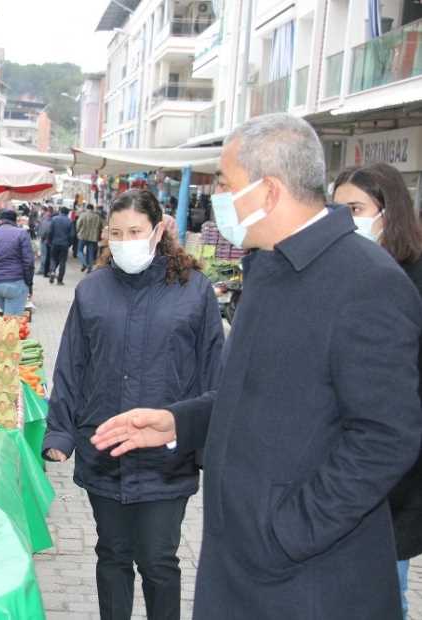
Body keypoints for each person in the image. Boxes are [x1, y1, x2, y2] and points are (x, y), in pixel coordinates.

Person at [91, 114, 422, 619]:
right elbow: (257, 391)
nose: (219, 196)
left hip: (309, 580)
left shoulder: (366, 281)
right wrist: (180, 422)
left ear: (267, 191)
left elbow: (385, 436)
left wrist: (288, 530)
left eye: (227, 184)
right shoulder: (271, 267)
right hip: (244, 561)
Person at [44, 189, 223, 620]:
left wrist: (205, 443)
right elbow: (71, 366)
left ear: (158, 230)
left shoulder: (194, 291)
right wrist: (60, 434)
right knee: (112, 555)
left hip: (166, 457)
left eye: (136, 231)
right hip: (103, 447)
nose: (126, 240)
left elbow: (213, 373)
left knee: (159, 561)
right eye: (117, 232)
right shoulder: (92, 291)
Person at [333, 162, 422, 620]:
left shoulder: (412, 278)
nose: (345, 219)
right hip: (334, 468)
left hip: (395, 475)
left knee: (387, 593)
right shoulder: (336, 273)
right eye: (337, 209)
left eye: (356, 208)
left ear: (388, 212)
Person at [0, 209, 34, 316]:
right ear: (15, 221)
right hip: (16, 283)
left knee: (7, 320)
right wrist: (28, 283)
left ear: (0, 221)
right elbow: (29, 263)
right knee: (11, 324)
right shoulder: (22, 234)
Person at [46, 206, 74, 285]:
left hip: (54, 243)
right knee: (62, 261)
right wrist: (69, 244)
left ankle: (52, 271)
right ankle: (60, 280)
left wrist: (49, 241)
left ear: (60, 211)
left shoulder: (54, 219)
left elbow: (50, 231)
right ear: (67, 213)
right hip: (64, 244)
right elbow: (72, 235)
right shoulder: (69, 221)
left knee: (53, 259)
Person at [76, 204, 104, 273]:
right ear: (93, 208)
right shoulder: (97, 217)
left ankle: (85, 263)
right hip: (93, 237)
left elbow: (78, 224)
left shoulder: (83, 215)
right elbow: (101, 226)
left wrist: (78, 231)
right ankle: (90, 268)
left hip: (82, 236)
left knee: (79, 251)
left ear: (87, 208)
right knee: (90, 253)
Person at [36, 207, 53, 276]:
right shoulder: (51, 220)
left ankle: (42, 269)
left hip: (45, 240)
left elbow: (43, 231)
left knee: (44, 255)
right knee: (47, 256)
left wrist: (41, 236)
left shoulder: (45, 221)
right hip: (49, 240)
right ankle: (48, 269)